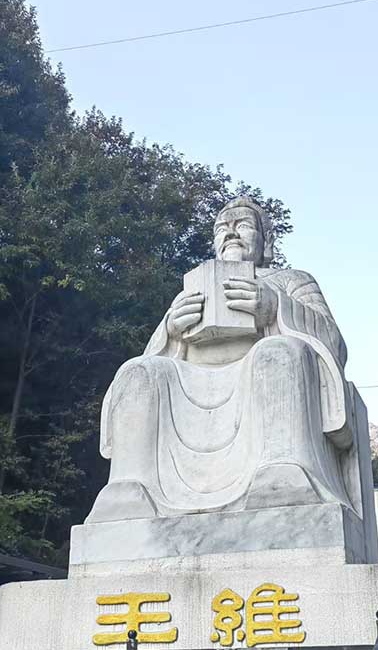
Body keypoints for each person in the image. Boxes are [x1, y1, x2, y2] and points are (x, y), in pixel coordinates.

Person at [86, 196, 354, 523]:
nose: (231, 234)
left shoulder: (291, 281)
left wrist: (275, 307)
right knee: (138, 371)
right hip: (193, 376)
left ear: (266, 240)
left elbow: (334, 343)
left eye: (242, 225)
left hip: (260, 371)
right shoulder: (193, 286)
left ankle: (281, 473)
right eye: (221, 229)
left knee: (277, 354)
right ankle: (131, 487)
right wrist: (172, 328)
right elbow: (158, 349)